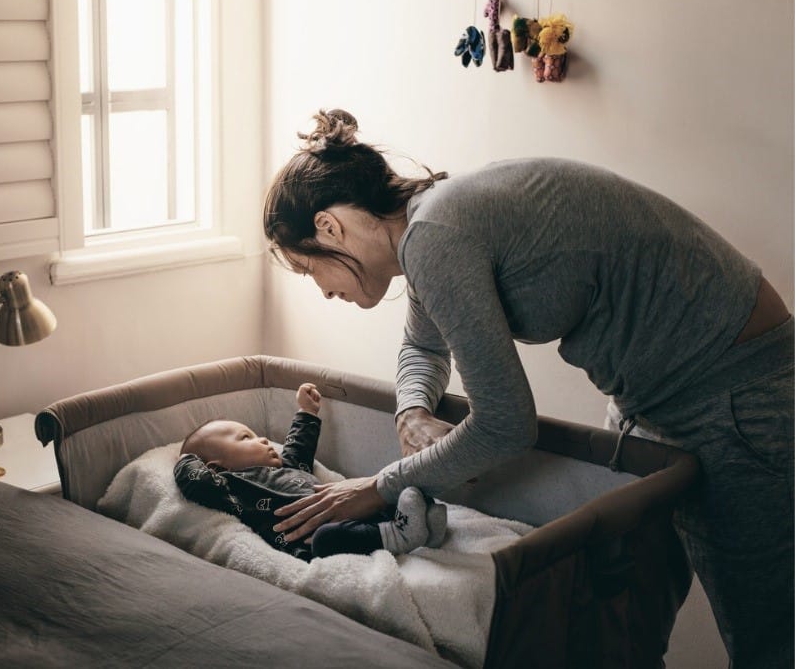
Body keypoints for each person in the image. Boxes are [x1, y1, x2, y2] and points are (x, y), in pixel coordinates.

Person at [262, 109, 793, 668]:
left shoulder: (435, 236)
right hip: (651, 395)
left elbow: (507, 424)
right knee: (620, 617)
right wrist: (412, 409)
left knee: (766, 633)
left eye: (308, 270)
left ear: (329, 228)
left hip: (732, 384)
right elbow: (422, 347)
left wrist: (381, 486)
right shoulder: (427, 229)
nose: (321, 291)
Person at [174, 382, 447, 561]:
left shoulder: (287, 467)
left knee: (385, 492)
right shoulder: (231, 488)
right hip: (313, 540)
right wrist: (185, 458)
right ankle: (399, 535)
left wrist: (306, 411)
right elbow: (196, 483)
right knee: (327, 538)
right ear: (217, 468)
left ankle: (418, 527)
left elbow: (298, 450)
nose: (263, 440)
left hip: (349, 510)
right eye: (246, 439)